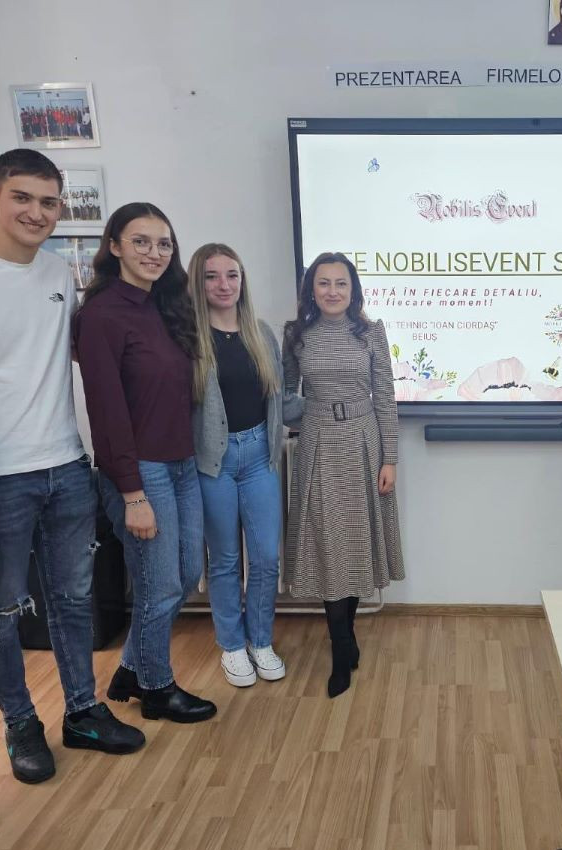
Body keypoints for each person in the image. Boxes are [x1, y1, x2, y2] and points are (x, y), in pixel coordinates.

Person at [0, 149, 144, 785]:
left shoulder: (58, 272)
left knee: (73, 600)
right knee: (2, 611)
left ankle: (82, 712)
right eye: (22, 198)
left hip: (66, 464)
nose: (36, 213)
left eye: (48, 202)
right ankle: (19, 723)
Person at [75, 203, 214, 723]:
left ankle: (133, 669)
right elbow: (107, 413)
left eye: (164, 244)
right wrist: (132, 494)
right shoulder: (101, 315)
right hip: (140, 473)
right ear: (114, 247)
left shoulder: (167, 306)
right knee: (159, 586)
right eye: (141, 241)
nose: (155, 253)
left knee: (185, 574)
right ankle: (157, 689)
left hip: (181, 464)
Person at [282, 252, 404, 698]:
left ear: (353, 291)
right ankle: (341, 648)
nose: (332, 291)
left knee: (355, 542)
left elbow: (385, 396)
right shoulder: (296, 334)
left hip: (363, 444)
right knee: (328, 544)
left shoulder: (371, 332)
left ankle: (346, 636)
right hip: (318, 444)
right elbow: (285, 396)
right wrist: (309, 415)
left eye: (341, 283)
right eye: (324, 283)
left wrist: (390, 458)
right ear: (311, 290)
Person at [188, 243, 302, 688]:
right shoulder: (189, 339)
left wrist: (339, 407)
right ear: (198, 283)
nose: (224, 285)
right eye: (212, 276)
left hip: (259, 457)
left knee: (267, 557)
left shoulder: (261, 333)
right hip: (213, 462)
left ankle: (260, 641)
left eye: (232, 275)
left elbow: (283, 402)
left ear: (242, 280)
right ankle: (232, 646)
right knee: (224, 560)